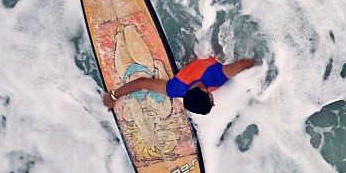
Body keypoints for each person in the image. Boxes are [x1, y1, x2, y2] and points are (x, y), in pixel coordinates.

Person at [103, 56, 256, 116]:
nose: (214, 101)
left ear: (203, 90)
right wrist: (113, 96)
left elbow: (245, 63)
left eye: (211, 100)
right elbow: (141, 82)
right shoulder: (175, 89)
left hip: (212, 56)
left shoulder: (217, 75)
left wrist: (257, 65)